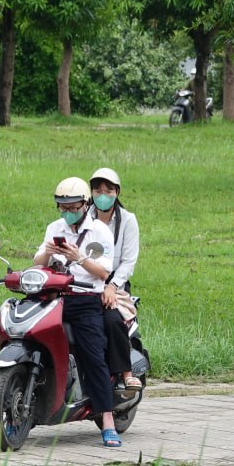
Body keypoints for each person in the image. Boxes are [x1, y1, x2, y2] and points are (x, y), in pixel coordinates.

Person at [33, 177, 122, 447]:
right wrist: (48, 253)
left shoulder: (99, 231)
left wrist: (79, 258)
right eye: (63, 207)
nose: (68, 212)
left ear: (85, 204)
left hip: (86, 300)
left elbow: (103, 272)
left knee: (93, 355)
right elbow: (37, 262)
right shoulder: (54, 228)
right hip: (55, 296)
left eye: (73, 207)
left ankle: (107, 419)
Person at [89, 167, 142, 391]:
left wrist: (111, 286)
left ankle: (126, 372)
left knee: (111, 319)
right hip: (86, 278)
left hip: (114, 280)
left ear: (117, 193)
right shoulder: (83, 217)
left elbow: (128, 262)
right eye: (98, 191)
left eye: (108, 191)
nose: (103, 195)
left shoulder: (128, 221)